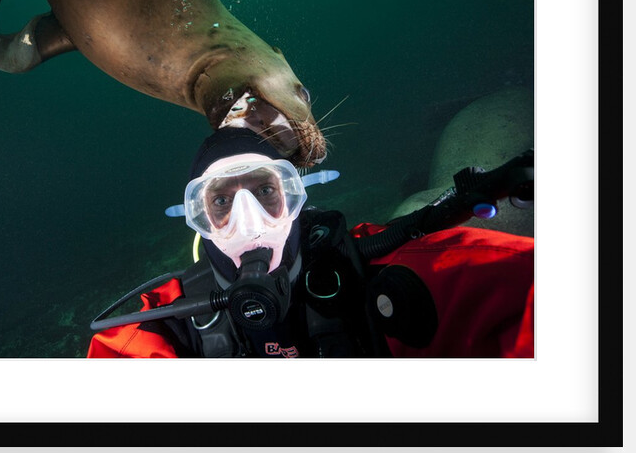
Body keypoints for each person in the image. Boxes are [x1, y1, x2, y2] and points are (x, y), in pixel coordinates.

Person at [87, 127, 534, 358]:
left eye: (266, 192)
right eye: (221, 201)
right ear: (200, 218)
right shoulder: (160, 326)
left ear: (296, 198)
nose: (250, 223)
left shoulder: (388, 270)